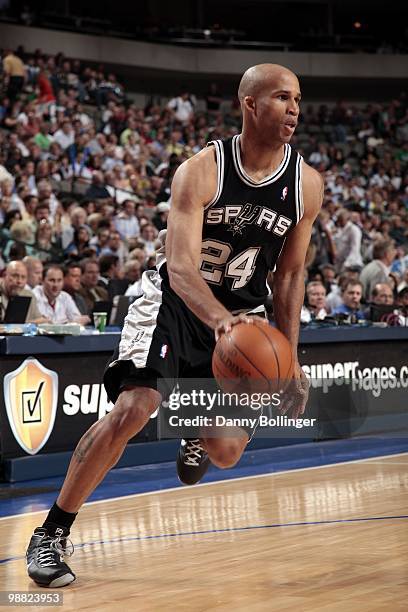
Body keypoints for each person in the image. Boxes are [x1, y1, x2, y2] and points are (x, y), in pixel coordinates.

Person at [26, 63, 323, 587]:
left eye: (298, 98)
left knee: (228, 452)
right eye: (282, 97)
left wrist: (291, 357)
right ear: (250, 105)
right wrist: (220, 323)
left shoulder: (306, 185)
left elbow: (292, 274)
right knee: (134, 409)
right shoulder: (201, 170)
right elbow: (182, 266)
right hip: (176, 303)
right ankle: (51, 533)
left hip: (242, 318)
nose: (294, 108)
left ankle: (193, 426)